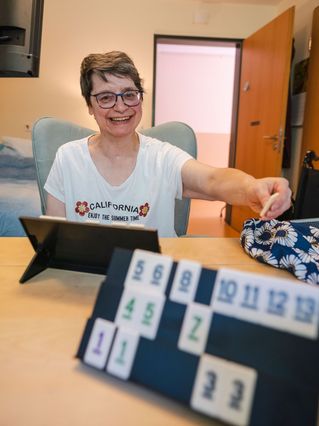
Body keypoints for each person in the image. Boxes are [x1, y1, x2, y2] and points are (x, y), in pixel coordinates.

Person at [44, 51, 292, 237]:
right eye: (106, 97)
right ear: (89, 105)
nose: (121, 107)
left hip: (152, 277)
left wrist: (253, 187)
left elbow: (213, 180)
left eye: (129, 94)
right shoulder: (68, 158)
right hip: (86, 277)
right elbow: (54, 239)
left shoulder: (162, 157)